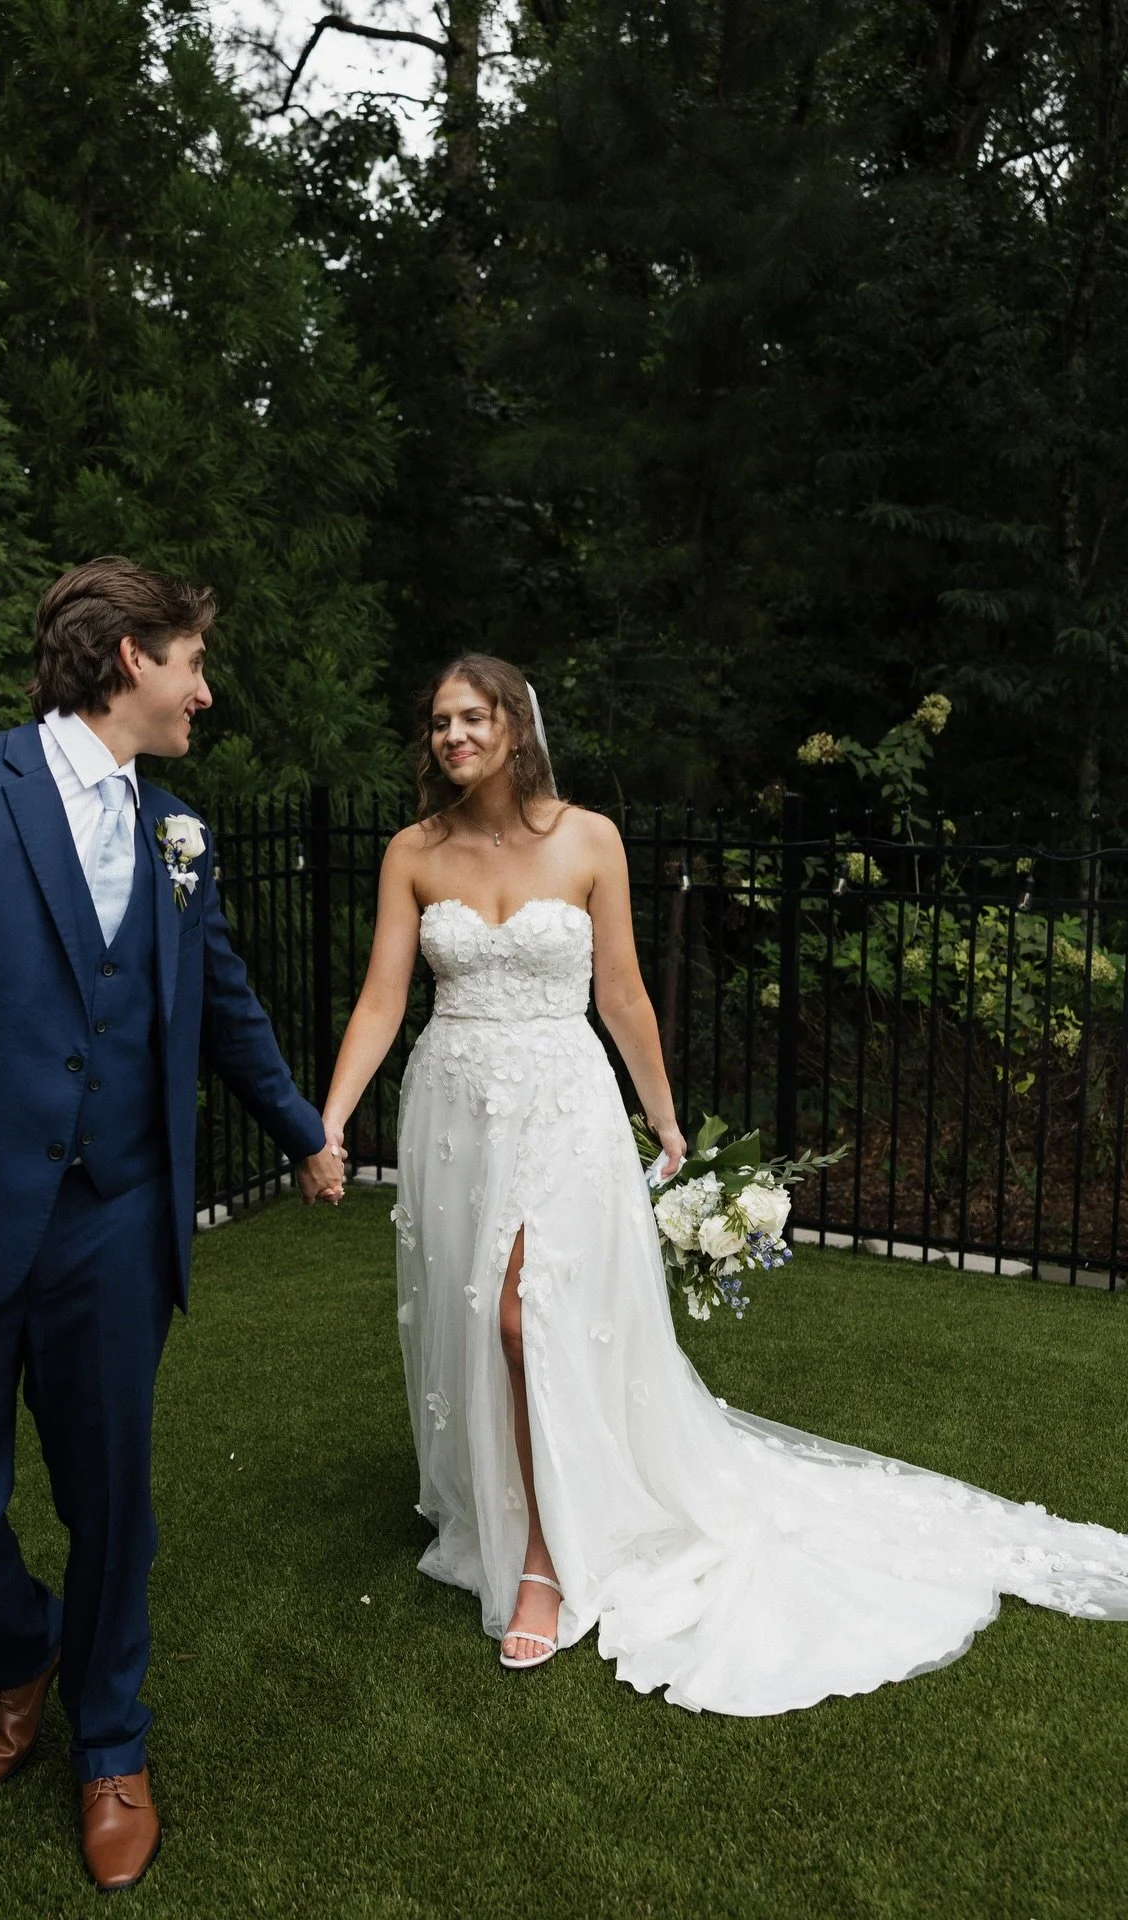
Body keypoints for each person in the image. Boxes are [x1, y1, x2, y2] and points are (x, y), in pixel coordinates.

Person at [322, 654, 1128, 1706]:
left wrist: (662, 1122)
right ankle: (507, 1500)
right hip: (453, 1113)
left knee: (526, 1317)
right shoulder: (411, 852)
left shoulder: (590, 839)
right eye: (439, 722)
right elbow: (385, 998)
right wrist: (330, 1121)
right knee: (480, 1321)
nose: (453, 736)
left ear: (516, 729)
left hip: (564, 1107)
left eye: (472, 718)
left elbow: (621, 993)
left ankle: (547, 1563)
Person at [0, 557, 344, 1892]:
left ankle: (111, 1739)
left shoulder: (181, 835)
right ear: (128, 659)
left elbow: (220, 1001)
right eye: (192, 665)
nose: (204, 695)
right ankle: (19, 1656)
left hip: (117, 1224)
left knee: (114, 1504)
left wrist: (303, 1128)